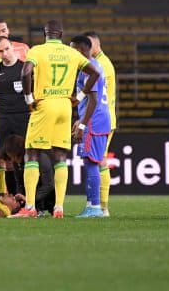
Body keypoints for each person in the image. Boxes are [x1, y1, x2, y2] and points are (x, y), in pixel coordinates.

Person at [11, 20, 100, 218]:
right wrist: (80, 95)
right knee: (60, 157)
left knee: (31, 153)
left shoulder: (37, 50)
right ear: (61, 34)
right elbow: (95, 72)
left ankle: (31, 207)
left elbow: (25, 72)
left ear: (45, 33)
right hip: (65, 106)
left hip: (45, 105)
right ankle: (59, 207)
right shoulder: (72, 53)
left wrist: (28, 99)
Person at [0, 36, 56, 214]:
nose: (4, 53)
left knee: (30, 160)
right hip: (3, 121)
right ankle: (16, 201)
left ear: (12, 47)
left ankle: (37, 203)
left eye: (7, 49)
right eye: (0, 51)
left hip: (24, 119)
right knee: (7, 162)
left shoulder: (26, 68)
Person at [70, 35, 111, 218]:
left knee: (91, 163)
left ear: (79, 50)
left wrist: (83, 124)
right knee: (93, 161)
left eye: (72, 50)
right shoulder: (95, 64)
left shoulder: (87, 69)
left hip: (93, 121)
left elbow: (93, 99)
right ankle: (93, 206)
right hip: (101, 118)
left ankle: (94, 207)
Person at [83, 31, 116, 217]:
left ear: (97, 45)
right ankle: (100, 206)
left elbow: (93, 94)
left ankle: (102, 206)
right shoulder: (104, 63)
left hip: (100, 119)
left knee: (99, 161)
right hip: (105, 117)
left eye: (89, 45)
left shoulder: (98, 65)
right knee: (99, 160)